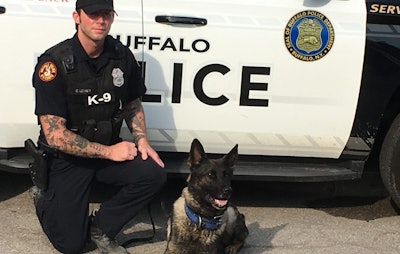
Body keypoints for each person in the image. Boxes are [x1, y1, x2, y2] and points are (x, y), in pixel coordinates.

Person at [31, 0, 166, 253]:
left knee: (154, 173)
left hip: (105, 151)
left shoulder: (120, 55)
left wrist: (142, 140)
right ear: (77, 17)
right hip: (67, 160)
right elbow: (55, 135)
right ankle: (43, 196)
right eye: (93, 14)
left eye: (106, 14)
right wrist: (110, 152)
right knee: (71, 245)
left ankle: (101, 226)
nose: (100, 21)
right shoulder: (54, 64)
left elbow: (132, 103)